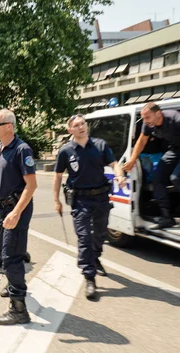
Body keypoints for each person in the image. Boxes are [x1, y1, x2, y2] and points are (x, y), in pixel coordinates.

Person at [53, 114, 126, 299]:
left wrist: (119, 174)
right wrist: (56, 199)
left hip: (101, 197)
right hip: (80, 200)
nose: (81, 127)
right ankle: (89, 277)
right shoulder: (66, 151)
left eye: (83, 124)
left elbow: (114, 163)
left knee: (100, 234)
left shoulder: (100, 145)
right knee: (84, 237)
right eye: (76, 125)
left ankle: (95, 258)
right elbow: (58, 175)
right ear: (70, 130)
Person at [0, 109, 37, 325]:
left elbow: (31, 185)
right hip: (2, 207)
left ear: (9, 126)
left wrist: (16, 213)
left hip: (18, 208)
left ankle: (19, 309)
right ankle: (12, 282)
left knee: (10, 256)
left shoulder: (22, 150)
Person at [123, 102, 180, 229]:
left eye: (147, 117)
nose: (145, 121)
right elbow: (141, 141)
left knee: (176, 178)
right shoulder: (148, 124)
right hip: (174, 150)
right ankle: (166, 216)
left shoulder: (175, 118)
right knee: (157, 178)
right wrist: (132, 160)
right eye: (143, 118)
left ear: (158, 113)